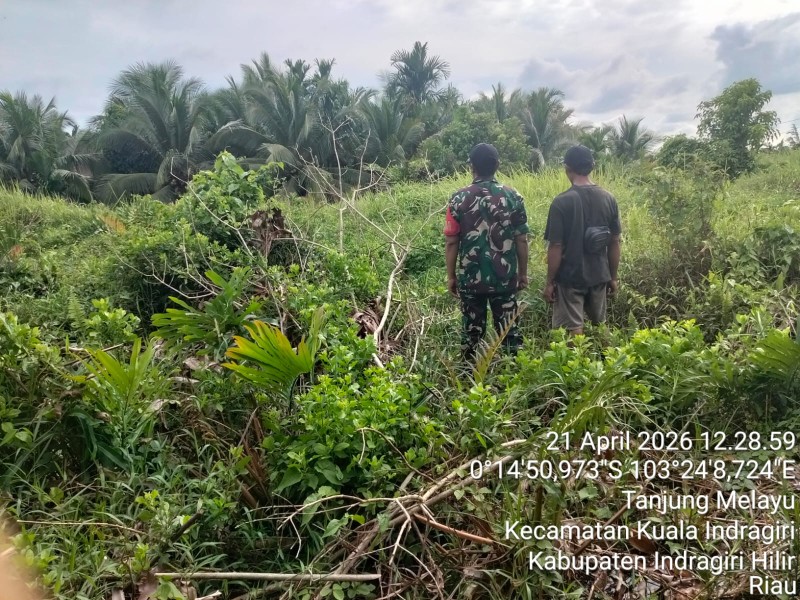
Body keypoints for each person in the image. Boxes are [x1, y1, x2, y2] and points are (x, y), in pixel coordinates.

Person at [444, 143, 529, 359]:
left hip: (471, 279)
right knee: (510, 334)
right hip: (505, 277)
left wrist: (452, 276)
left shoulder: (458, 198)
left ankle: (470, 379)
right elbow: (522, 239)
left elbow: (451, 242)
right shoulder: (513, 197)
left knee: (471, 335)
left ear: (471, 166)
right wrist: (522, 274)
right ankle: (513, 374)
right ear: (497, 165)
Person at [543, 144, 622, 334]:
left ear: (567, 168)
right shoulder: (608, 198)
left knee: (573, 329)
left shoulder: (561, 202)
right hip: (599, 275)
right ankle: (609, 362)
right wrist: (613, 278)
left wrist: (550, 282)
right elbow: (615, 241)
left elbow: (555, 246)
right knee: (600, 326)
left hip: (570, 277)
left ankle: (578, 364)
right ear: (592, 166)